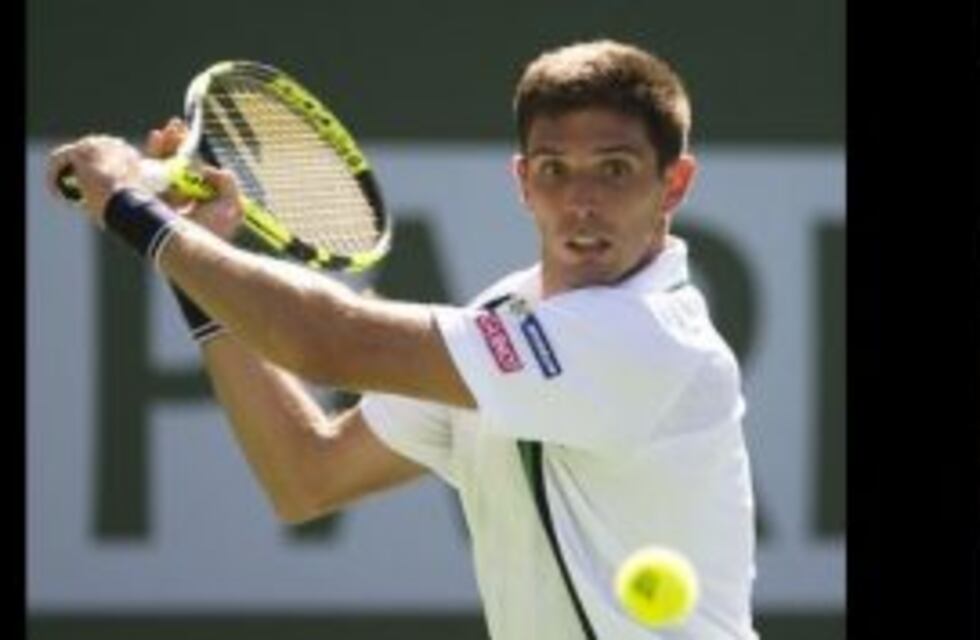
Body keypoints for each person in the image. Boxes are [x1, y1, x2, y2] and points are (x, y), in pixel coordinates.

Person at [47, 39, 758, 639]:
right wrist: (194, 264)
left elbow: (327, 341)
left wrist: (132, 212)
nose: (580, 202)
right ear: (522, 183)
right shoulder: (506, 316)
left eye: (615, 170)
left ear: (675, 184)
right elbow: (308, 474)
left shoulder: (652, 341)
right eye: (553, 170)